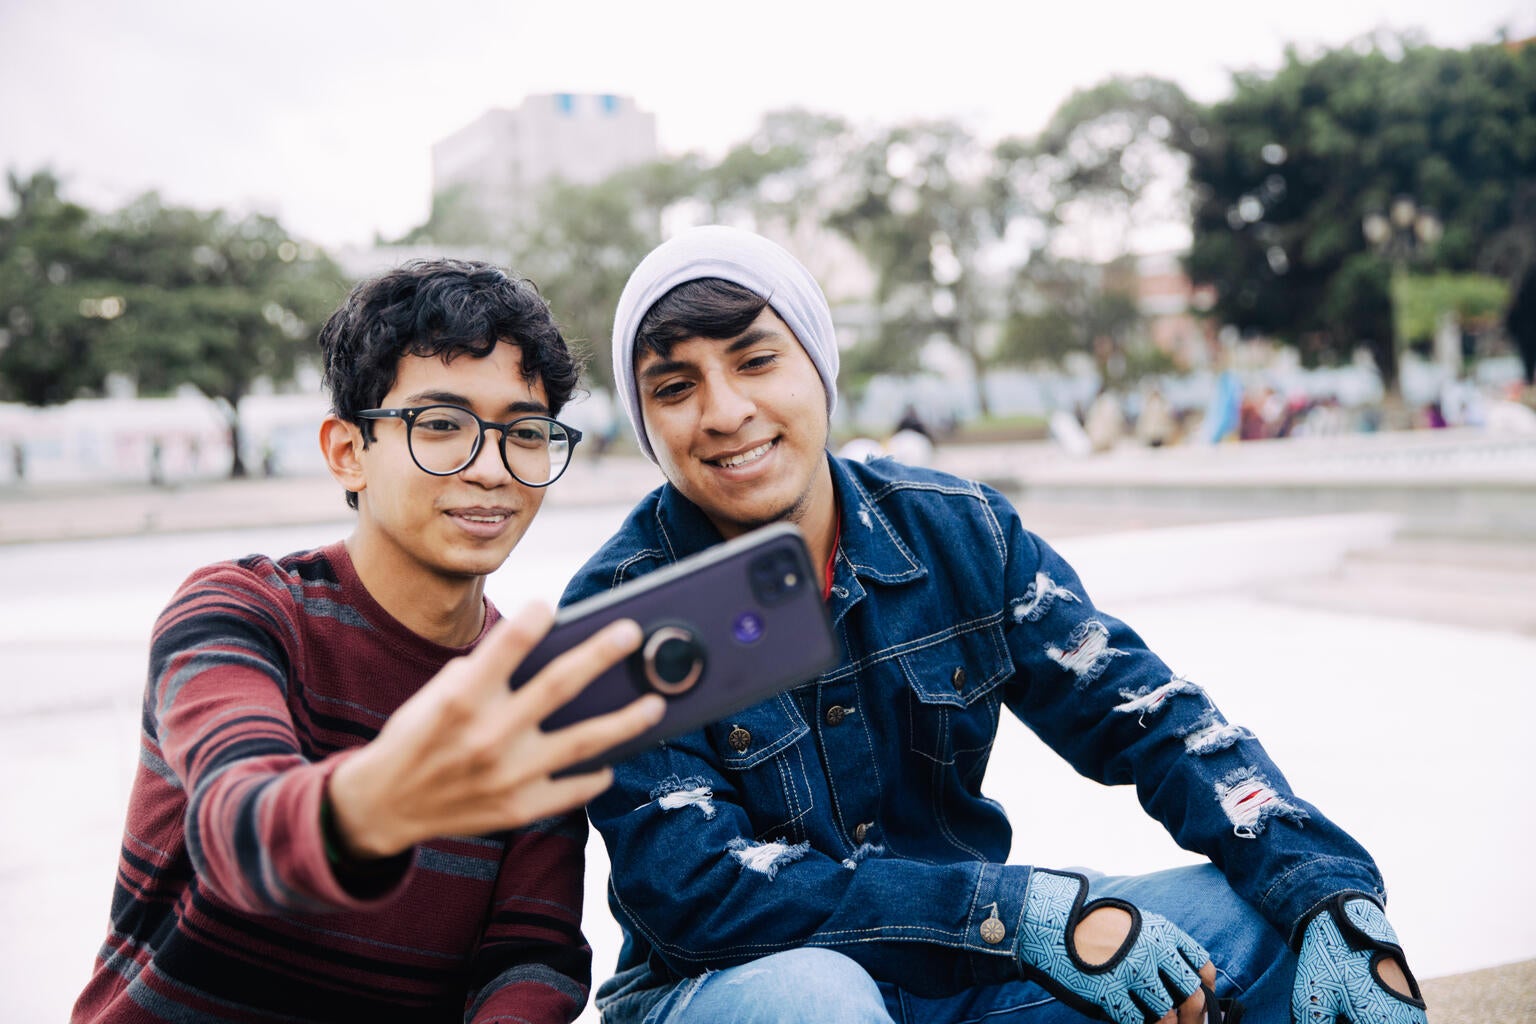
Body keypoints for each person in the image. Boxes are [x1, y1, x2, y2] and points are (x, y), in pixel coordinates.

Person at [562, 227, 1427, 1024]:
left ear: (819, 366)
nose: (722, 412)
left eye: (756, 361)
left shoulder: (958, 530)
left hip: (969, 966)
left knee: (1264, 919)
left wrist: (1328, 893)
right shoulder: (627, 610)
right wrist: (1020, 918)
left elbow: (1154, 718)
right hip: (740, 986)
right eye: (675, 387)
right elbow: (701, 895)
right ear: (646, 420)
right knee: (819, 999)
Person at [71, 259, 667, 1023]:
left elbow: (531, 956)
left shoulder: (527, 685)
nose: (490, 469)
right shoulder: (242, 611)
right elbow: (242, 823)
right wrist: (373, 806)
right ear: (347, 450)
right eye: (441, 425)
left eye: (523, 432)